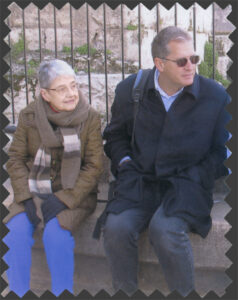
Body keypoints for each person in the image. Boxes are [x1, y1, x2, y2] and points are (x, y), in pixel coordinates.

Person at [95, 26, 230, 296]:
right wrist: (123, 162)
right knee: (116, 228)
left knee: (165, 231)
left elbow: (223, 150)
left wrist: (199, 175)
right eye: (182, 61)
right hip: (140, 180)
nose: (190, 66)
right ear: (160, 63)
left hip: (187, 184)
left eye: (194, 59)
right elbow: (115, 136)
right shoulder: (130, 90)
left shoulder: (215, 96)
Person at [3, 59, 104, 296]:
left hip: (74, 194)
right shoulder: (29, 116)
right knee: (14, 233)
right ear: (45, 94)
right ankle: (18, 292)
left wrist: (64, 199)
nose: (71, 94)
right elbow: (15, 158)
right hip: (34, 189)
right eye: (62, 89)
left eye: (73, 85)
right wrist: (26, 198)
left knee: (55, 236)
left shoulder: (90, 117)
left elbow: (94, 166)